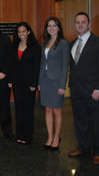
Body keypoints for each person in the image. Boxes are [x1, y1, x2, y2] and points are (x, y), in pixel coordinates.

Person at [68, 12, 99, 165]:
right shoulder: (72, 43)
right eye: (77, 22)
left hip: (93, 91)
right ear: (75, 25)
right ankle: (83, 147)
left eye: (83, 22)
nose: (80, 25)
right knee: (80, 120)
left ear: (89, 24)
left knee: (97, 122)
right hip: (77, 90)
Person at [38, 17, 69, 151]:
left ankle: (57, 137)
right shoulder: (44, 44)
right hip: (45, 80)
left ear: (59, 28)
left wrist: (63, 85)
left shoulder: (63, 43)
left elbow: (64, 65)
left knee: (56, 110)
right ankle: (50, 136)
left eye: (54, 26)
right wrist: (39, 81)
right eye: (49, 26)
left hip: (57, 81)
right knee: (47, 109)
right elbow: (42, 64)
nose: (51, 28)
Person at [9, 22, 41, 145]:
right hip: (17, 83)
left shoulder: (35, 47)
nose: (21, 34)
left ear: (28, 32)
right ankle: (19, 134)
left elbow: (36, 67)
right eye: (19, 32)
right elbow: (12, 65)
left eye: (23, 31)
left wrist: (34, 83)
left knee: (28, 110)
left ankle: (27, 136)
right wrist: (11, 80)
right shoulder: (15, 46)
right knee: (18, 109)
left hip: (29, 84)